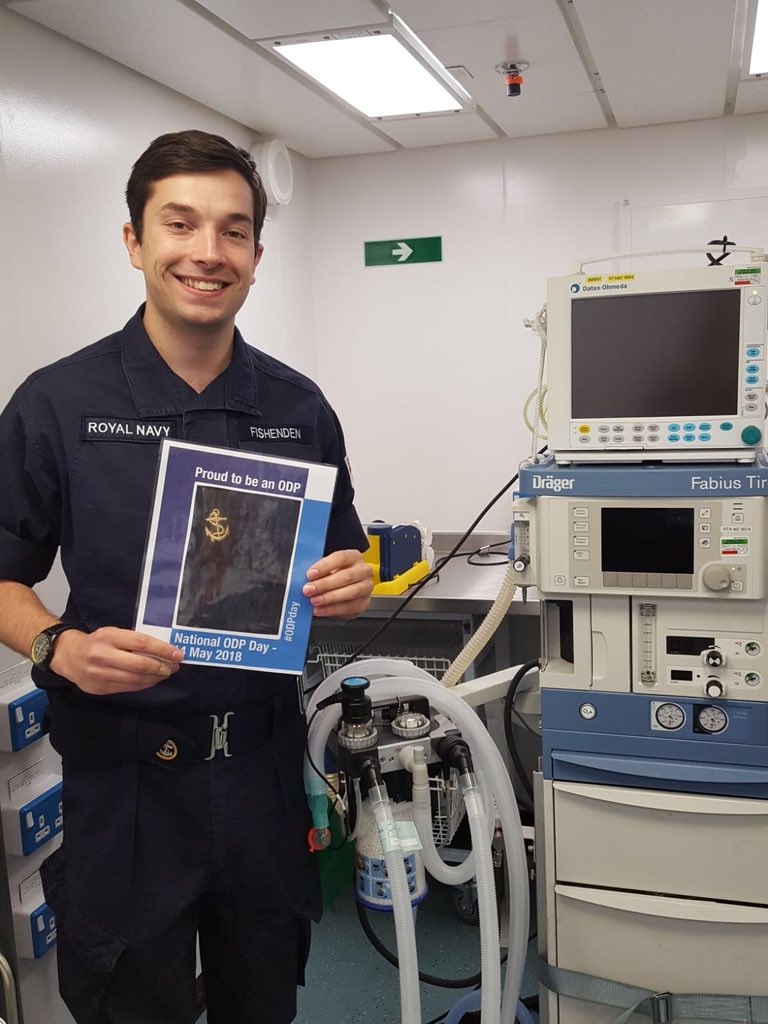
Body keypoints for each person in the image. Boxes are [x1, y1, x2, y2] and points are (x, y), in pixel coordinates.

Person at [0, 129, 373, 1024]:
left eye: (234, 231)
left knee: (262, 1002)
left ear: (254, 254)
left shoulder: (297, 407)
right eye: (181, 225)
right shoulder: (57, 405)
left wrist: (349, 581)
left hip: (260, 776)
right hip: (126, 785)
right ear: (135, 241)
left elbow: (343, 554)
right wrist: (59, 646)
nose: (208, 252)